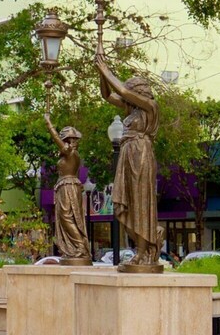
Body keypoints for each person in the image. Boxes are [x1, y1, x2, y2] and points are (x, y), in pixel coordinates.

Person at [95, 50, 162, 273]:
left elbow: (121, 90)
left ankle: (144, 251)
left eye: (131, 91)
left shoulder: (150, 107)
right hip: (127, 153)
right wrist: (100, 73)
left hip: (141, 154)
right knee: (125, 203)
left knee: (140, 202)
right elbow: (107, 95)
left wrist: (107, 69)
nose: (127, 96)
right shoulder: (131, 109)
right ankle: (140, 248)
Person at [44, 114, 90, 265]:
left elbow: (57, 140)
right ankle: (76, 246)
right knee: (68, 217)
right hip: (67, 186)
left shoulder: (71, 153)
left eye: (70, 140)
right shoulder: (71, 154)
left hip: (68, 186)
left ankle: (80, 246)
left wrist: (49, 124)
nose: (71, 143)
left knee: (67, 216)